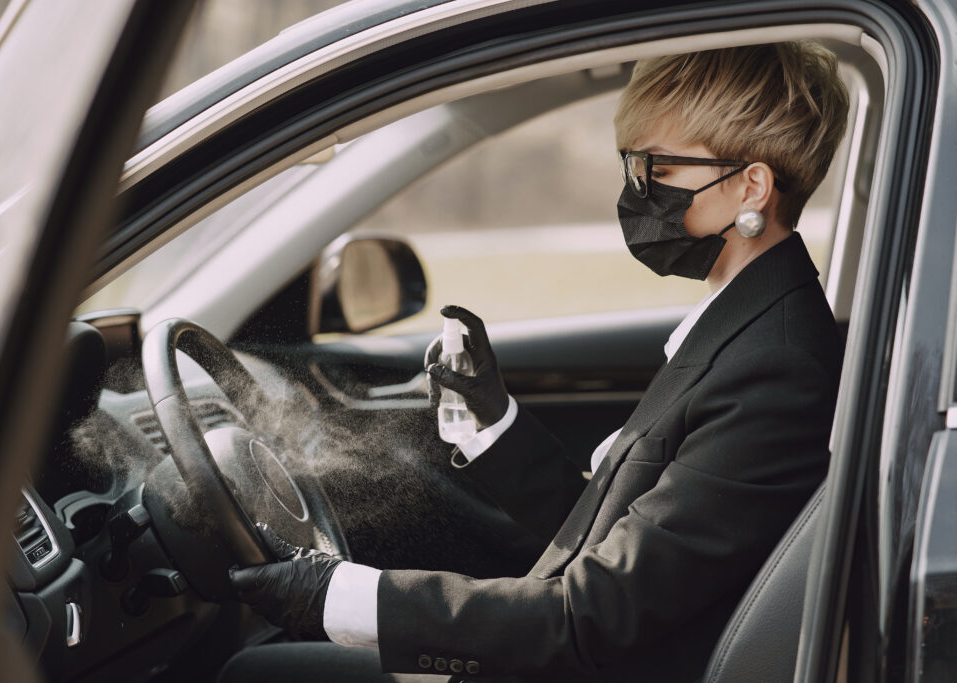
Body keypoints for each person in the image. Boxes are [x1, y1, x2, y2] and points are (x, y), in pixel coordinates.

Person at [219, 41, 849, 682]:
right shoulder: (743, 325)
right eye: (630, 166)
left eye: (657, 169)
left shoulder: (775, 366)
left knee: (251, 673)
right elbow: (616, 537)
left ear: (753, 184)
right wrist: (492, 422)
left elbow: (594, 614)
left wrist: (339, 596)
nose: (635, 192)